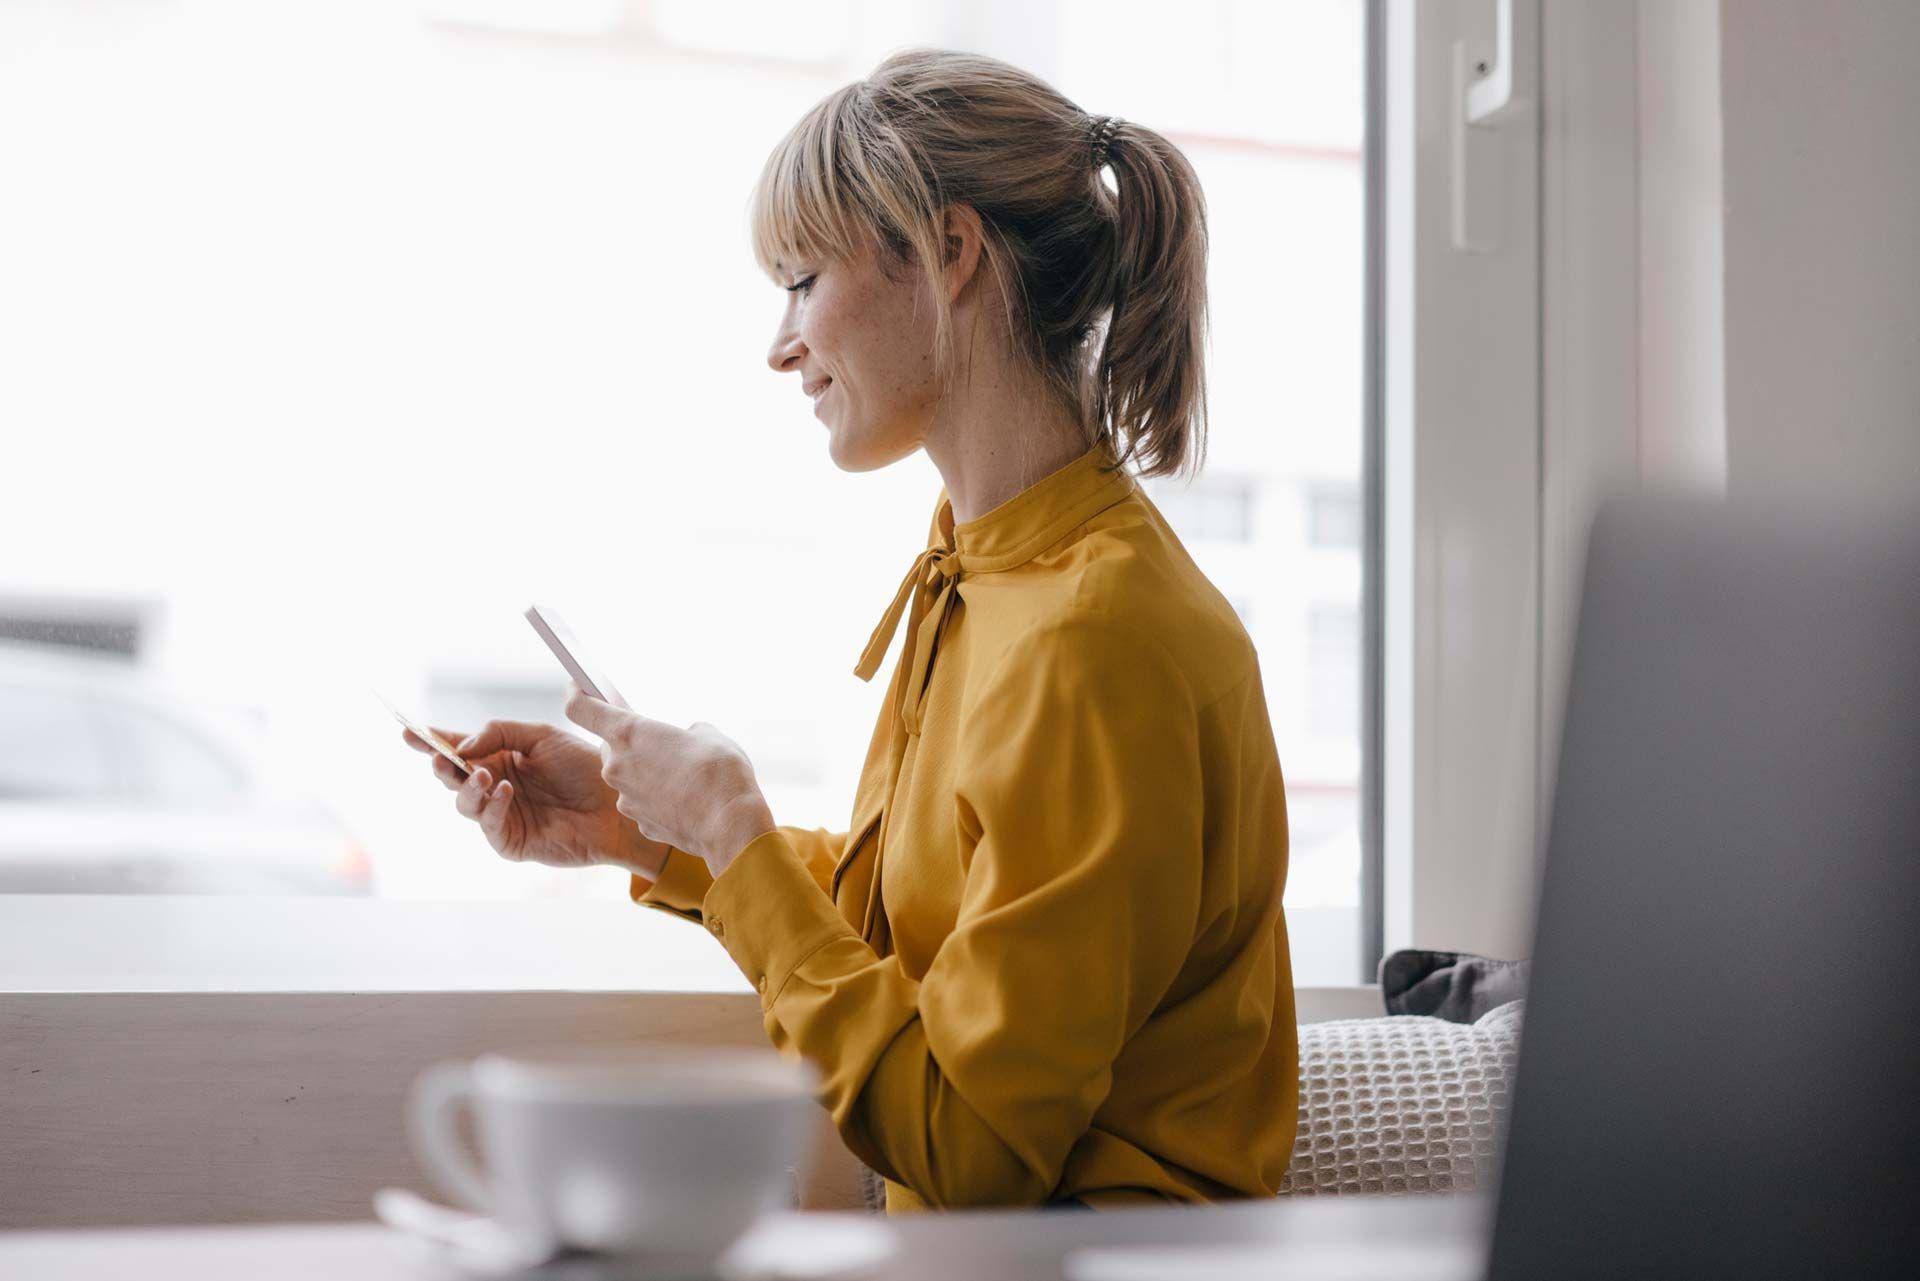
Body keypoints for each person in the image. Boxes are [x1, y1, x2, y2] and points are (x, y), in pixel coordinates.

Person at [405, 47, 1296, 1213]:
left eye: (801, 279)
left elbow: (968, 1142)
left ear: (949, 254)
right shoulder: (988, 573)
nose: (780, 345)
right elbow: (930, 938)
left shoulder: (1092, 637)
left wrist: (735, 832)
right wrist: (657, 833)